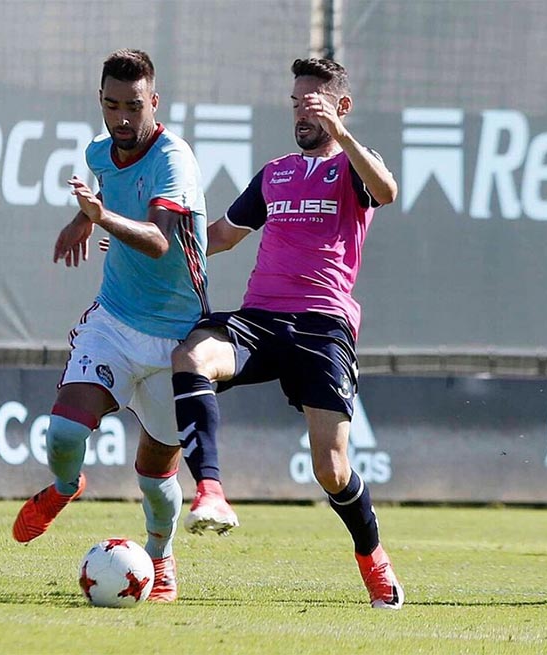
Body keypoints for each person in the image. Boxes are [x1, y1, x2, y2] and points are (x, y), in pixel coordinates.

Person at [170, 57, 404, 609]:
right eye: (297, 101)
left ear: (340, 107)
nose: (302, 111)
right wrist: (150, 245)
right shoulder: (275, 173)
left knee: (331, 467)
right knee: (191, 356)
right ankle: (210, 491)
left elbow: (388, 191)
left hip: (323, 328)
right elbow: (222, 236)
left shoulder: (352, 168)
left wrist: (342, 136)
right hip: (260, 320)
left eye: (314, 102)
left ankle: (373, 559)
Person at [11, 49, 213, 603]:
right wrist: (84, 218)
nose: (122, 119)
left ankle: (161, 555)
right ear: (100, 100)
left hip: (178, 340)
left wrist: (100, 219)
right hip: (115, 322)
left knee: (155, 478)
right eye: (111, 104)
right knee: (65, 432)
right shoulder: (100, 151)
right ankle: (64, 486)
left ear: (154, 101)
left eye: (133, 106)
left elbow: (158, 240)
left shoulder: (175, 159)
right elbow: (102, 188)